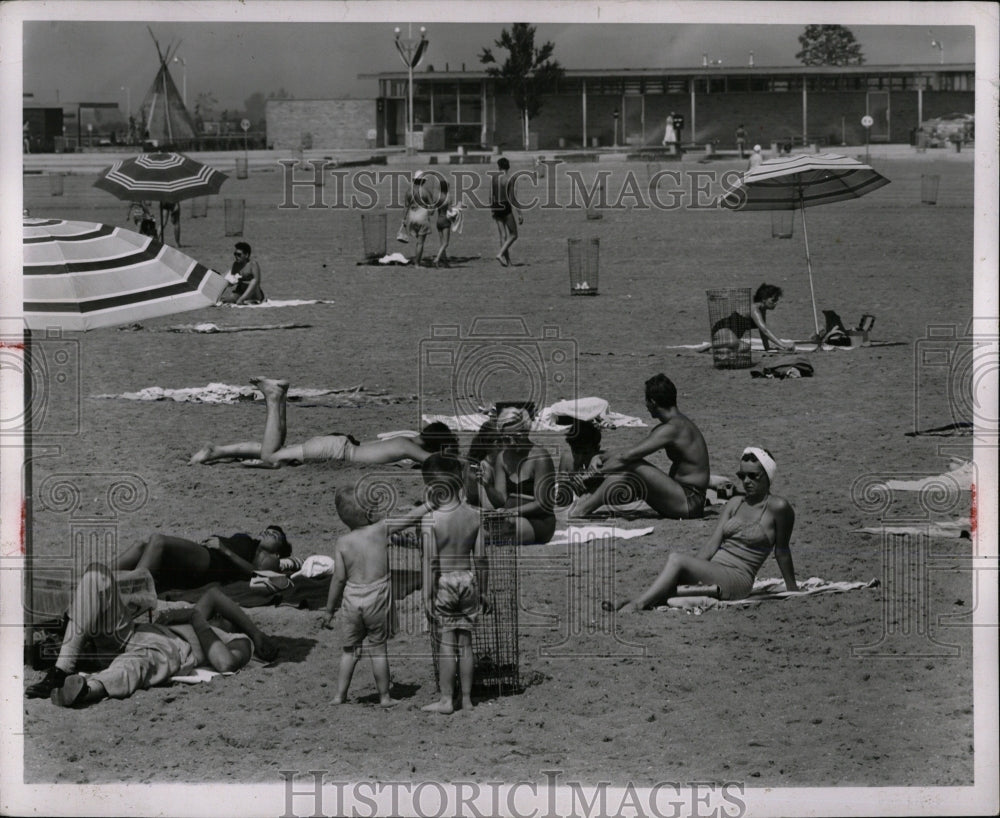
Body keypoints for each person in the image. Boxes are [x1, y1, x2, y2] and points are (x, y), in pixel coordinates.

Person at [25, 563, 277, 706]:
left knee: (134, 667)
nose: (217, 617)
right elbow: (214, 595)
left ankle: (87, 690)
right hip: (132, 634)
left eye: (223, 617)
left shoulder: (235, 640)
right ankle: (61, 670)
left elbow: (226, 664)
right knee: (97, 576)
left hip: (167, 653)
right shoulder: (202, 623)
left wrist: (249, 635)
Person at [606, 447, 797, 613]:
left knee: (676, 559)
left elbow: (782, 551)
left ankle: (638, 604)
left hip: (739, 577)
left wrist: (792, 588)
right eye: (742, 476)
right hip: (716, 569)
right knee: (676, 576)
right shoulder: (735, 503)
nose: (746, 481)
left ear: (768, 477)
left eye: (753, 476)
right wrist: (693, 569)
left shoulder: (778, 508)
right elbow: (712, 545)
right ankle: (638, 599)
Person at [189, 377, 459, 468]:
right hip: (337, 451)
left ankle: (219, 451)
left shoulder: (403, 440)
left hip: (338, 445)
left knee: (278, 450)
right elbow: (433, 462)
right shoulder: (407, 446)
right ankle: (273, 397)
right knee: (272, 457)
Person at [567, 374, 710, 520]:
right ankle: (586, 500)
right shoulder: (676, 424)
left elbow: (628, 457)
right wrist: (600, 457)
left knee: (631, 466)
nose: (646, 406)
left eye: (646, 401)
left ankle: (583, 508)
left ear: (653, 402)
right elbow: (631, 450)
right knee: (626, 469)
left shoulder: (673, 428)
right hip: (684, 498)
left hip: (689, 501)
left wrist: (592, 474)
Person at [320, 487, 412, 707]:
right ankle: (384, 696)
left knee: (349, 651)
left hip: (352, 599)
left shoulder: (342, 542)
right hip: (376, 597)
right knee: (378, 650)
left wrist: (329, 609)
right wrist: (429, 505)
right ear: (371, 514)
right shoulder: (380, 529)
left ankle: (339, 696)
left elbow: (339, 579)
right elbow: (409, 519)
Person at [419, 454, 487, 715]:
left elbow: (430, 561)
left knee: (447, 642)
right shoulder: (475, 515)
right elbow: (480, 557)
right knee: (466, 642)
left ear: (432, 488)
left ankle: (447, 699)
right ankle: (467, 699)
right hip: (468, 579)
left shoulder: (431, 519)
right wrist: (483, 590)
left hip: (445, 581)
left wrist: (427, 594)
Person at [113, 525, 292, 590]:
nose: (268, 533)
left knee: (158, 541)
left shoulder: (271, 559)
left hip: (213, 563)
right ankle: (95, 575)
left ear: (278, 551)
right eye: (267, 531)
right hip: (207, 555)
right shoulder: (251, 543)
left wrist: (224, 550)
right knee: (142, 544)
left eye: (274, 535)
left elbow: (257, 574)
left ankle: (133, 592)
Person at [477, 406, 556, 544]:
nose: (512, 443)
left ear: (526, 432)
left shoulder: (540, 458)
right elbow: (501, 500)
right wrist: (487, 486)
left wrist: (511, 512)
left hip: (538, 521)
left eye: (517, 437)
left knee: (485, 535)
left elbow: (543, 503)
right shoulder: (503, 457)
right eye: (507, 439)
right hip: (510, 517)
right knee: (473, 527)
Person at [556, 420, 605, 505]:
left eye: (586, 453)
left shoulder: (604, 461)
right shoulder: (568, 459)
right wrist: (570, 485)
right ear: (571, 449)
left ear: (597, 449)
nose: (580, 458)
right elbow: (562, 500)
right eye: (576, 452)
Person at [396, 170, 435, 266]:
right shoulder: (425, 191)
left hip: (412, 216)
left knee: (418, 240)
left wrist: (403, 219)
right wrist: (430, 213)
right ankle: (417, 264)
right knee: (421, 242)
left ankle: (417, 260)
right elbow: (432, 207)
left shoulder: (409, 191)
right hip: (422, 216)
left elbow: (405, 207)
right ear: (423, 181)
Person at [490, 157, 522, 267]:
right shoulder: (509, 178)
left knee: (502, 235)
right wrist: (520, 213)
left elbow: (491, 195)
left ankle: (508, 262)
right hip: (505, 206)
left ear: (499, 166)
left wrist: (492, 209)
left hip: (496, 205)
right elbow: (513, 198)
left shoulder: (494, 178)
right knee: (514, 234)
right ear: (508, 166)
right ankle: (500, 254)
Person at [751, 284, 795, 352]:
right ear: (763, 299)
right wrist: (783, 345)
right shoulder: (754, 309)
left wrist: (767, 348)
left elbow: (762, 331)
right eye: (773, 300)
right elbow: (765, 331)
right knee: (743, 347)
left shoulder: (761, 309)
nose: (776, 303)